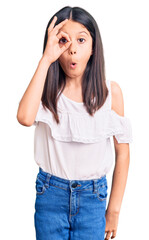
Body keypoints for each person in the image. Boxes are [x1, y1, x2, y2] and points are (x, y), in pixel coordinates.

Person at [16, 6, 133, 240]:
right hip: (51, 197)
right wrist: (47, 58)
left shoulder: (111, 93)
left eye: (81, 40)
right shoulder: (45, 92)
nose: (72, 50)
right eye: (63, 41)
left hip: (93, 200)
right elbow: (24, 118)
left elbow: (123, 153)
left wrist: (114, 210)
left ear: (93, 47)